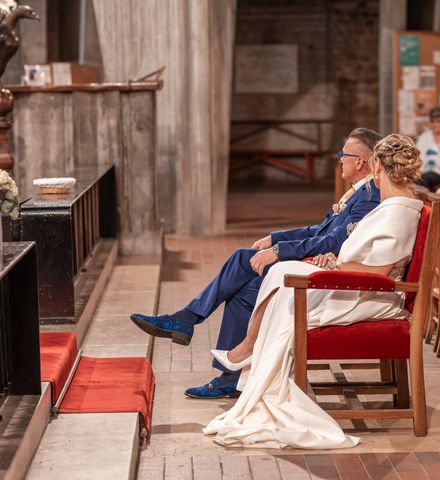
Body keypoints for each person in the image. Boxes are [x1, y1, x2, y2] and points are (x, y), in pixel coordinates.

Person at [202, 134, 425, 449]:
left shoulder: (397, 211)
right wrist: (335, 261)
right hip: (359, 283)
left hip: (371, 296)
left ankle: (252, 359)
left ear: (376, 167)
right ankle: (250, 352)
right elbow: (368, 257)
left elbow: (379, 273)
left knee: (283, 278)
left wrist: (334, 269)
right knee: (281, 274)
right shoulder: (394, 205)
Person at [130, 127, 382, 399]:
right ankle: (224, 371)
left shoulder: (368, 197)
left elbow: (331, 243)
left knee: (241, 260)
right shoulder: (359, 193)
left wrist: (278, 251)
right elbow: (319, 231)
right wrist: (275, 238)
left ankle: (188, 323)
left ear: (359, 162)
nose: (339, 159)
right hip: (318, 266)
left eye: (342, 154)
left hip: (327, 276)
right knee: (241, 290)